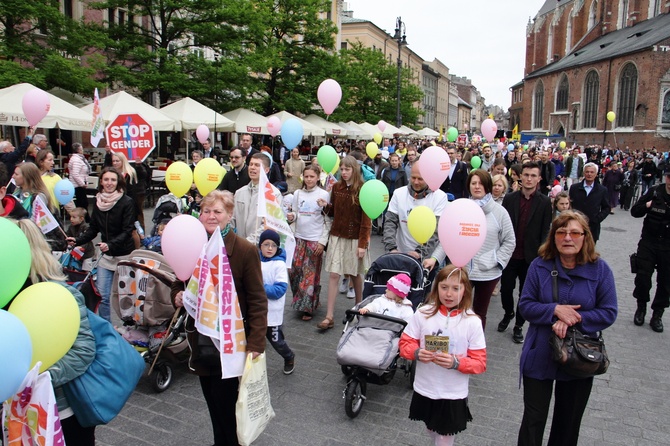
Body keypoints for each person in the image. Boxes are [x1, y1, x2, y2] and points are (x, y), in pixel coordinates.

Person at [172, 190, 267, 446]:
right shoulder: (194, 244)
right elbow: (178, 281)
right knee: (212, 403)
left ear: (229, 215)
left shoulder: (245, 250)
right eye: (206, 211)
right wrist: (178, 297)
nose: (211, 216)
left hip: (230, 341)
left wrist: (256, 343)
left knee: (227, 405)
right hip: (202, 339)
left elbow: (258, 299)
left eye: (218, 211)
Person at [517, 210, 617, 445]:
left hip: (579, 355)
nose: (568, 238)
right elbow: (526, 306)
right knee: (533, 420)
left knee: (568, 424)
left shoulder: (600, 270)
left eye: (574, 233)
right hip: (540, 352)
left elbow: (609, 312)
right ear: (553, 237)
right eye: (561, 232)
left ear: (585, 237)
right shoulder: (539, 266)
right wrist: (554, 310)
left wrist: (573, 317)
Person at [13, 218, 96, 445]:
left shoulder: (60, 295)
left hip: (61, 411)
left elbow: (84, 351)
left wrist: (37, 380)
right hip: (14, 416)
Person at [399, 265, 486, 446]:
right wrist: (416, 352)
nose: (449, 294)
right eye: (444, 287)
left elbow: (479, 363)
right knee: (430, 428)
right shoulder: (423, 313)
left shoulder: (472, 322)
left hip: (452, 392)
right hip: (426, 386)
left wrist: (456, 363)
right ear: (436, 287)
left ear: (465, 290)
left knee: (445, 435)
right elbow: (405, 343)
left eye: (456, 288)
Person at [432, 170, 515, 330]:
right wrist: (435, 258)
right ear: (468, 186)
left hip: (488, 273)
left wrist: (496, 261)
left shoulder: (500, 212)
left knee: (478, 314)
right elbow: (448, 238)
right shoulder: (460, 209)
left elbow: (510, 241)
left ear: (488, 186)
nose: (477, 187)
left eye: (481, 183)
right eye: (473, 183)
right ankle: (454, 343)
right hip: (462, 271)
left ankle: (475, 349)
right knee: (456, 310)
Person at [68, 167, 136, 322]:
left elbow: (127, 230)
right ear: (101, 182)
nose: (109, 183)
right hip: (105, 257)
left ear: (118, 182)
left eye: (113, 179)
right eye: (106, 179)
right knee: (103, 295)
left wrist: (110, 244)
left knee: (126, 296)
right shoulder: (99, 202)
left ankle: (129, 326)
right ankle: (107, 327)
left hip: (124, 255)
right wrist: (77, 240)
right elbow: (93, 228)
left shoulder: (127, 202)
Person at [498, 162, 553, 343]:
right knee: (506, 289)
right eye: (526, 175)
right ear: (521, 177)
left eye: (533, 176)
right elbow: (503, 226)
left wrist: (542, 253)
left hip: (531, 256)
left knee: (525, 293)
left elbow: (546, 230)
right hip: (509, 254)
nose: (529, 179)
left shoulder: (544, 202)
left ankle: (519, 324)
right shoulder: (510, 198)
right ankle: (508, 312)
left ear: (539, 179)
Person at [318, 155, 371, 330]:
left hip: (355, 238)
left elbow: (366, 220)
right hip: (337, 236)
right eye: (342, 169)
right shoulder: (336, 187)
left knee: (355, 274)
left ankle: (358, 308)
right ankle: (329, 315)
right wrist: (325, 206)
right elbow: (333, 211)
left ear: (354, 170)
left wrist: (363, 244)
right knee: (334, 274)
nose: (344, 172)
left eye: (347, 169)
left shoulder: (363, 189)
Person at [287, 164, 331, 321]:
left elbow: (327, 220)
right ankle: (306, 300)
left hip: (314, 240)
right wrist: (292, 216)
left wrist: (322, 242)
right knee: (294, 271)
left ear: (318, 177)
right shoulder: (298, 193)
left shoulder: (324, 194)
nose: (309, 179)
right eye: (306, 176)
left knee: (309, 275)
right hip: (298, 238)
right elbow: (296, 213)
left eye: (312, 176)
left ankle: (307, 307)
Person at [384, 163, 448, 269]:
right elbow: (390, 222)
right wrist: (391, 248)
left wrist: (419, 252)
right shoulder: (398, 193)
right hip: (400, 254)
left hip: (426, 259)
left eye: (420, 179)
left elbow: (435, 231)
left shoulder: (440, 197)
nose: (416, 182)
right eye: (413, 178)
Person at [631, 165, 670, 333]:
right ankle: (641, 308)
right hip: (649, 241)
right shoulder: (655, 191)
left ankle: (657, 314)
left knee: (666, 283)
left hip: (668, 246)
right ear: (667, 178)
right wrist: (647, 205)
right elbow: (635, 212)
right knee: (642, 277)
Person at [258, 229, 296, 375]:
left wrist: (259, 286)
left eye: (273, 245)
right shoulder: (255, 260)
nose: (269, 248)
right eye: (266, 244)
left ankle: (288, 356)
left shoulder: (279, 265)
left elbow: (279, 290)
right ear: (260, 246)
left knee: (276, 341)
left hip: (272, 311)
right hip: (256, 309)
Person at [12, 162, 67, 251]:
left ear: (26, 177)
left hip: (33, 240)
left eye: (16, 174)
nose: (13, 177)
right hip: (18, 236)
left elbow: (36, 222)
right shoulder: (17, 193)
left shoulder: (38, 196)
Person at [233, 153, 282, 243]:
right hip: (239, 247)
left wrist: (248, 243)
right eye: (251, 164)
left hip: (259, 248)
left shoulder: (273, 194)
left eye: (257, 165)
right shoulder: (239, 192)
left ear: (266, 170)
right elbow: (232, 219)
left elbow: (270, 224)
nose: (252, 167)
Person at [569, 162, 610, 243]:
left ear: (596, 174)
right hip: (576, 224)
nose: (589, 174)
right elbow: (570, 204)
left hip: (593, 227)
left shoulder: (602, 190)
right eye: (587, 172)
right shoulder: (574, 188)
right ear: (584, 173)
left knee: (589, 253)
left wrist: (597, 219)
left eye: (592, 172)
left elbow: (607, 207)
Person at [68, 143, 91, 211]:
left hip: (80, 183)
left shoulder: (80, 158)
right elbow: (75, 174)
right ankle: (84, 218)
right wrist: (82, 184)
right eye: (81, 148)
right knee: (82, 202)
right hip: (78, 185)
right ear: (78, 150)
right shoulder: (76, 160)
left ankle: (85, 217)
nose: (83, 150)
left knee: (83, 202)